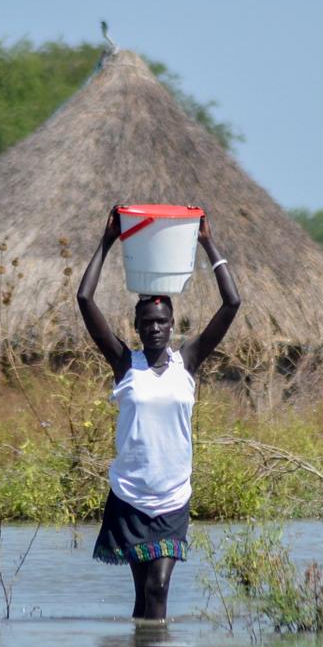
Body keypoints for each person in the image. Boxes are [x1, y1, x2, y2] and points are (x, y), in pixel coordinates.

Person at [77, 205, 242, 620]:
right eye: (147, 322)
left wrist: (207, 242)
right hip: (131, 494)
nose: (154, 328)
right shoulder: (124, 364)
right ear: (136, 326)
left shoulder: (187, 363)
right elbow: (84, 299)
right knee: (141, 595)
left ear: (172, 325)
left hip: (172, 495)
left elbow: (232, 302)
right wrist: (108, 240)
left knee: (159, 584)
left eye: (162, 322)